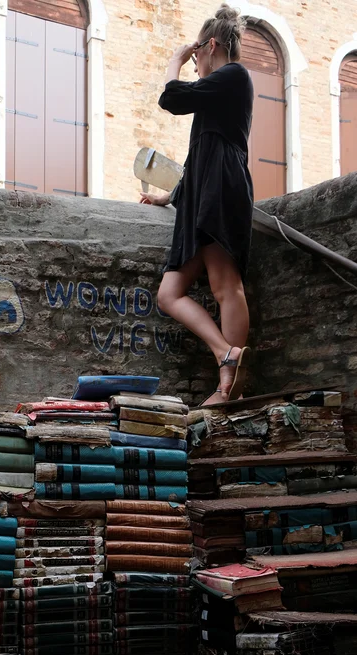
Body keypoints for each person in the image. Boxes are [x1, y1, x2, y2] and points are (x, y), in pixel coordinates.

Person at [141, 5, 254, 405]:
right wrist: (169, 196)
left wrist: (174, 58)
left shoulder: (234, 75)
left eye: (194, 59)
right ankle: (226, 353)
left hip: (221, 188)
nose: (193, 66)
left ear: (208, 46)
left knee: (226, 285)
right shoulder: (218, 89)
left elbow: (171, 98)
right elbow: (197, 153)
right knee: (169, 294)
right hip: (201, 192)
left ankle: (227, 387)